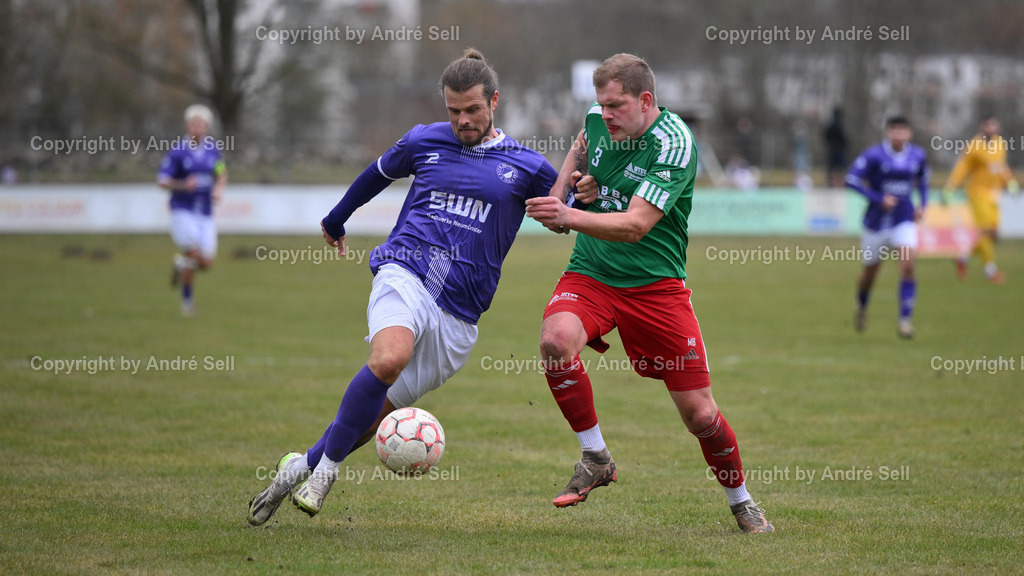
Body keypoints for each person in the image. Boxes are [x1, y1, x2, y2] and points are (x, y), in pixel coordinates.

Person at [247, 49, 557, 526]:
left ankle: (301, 465)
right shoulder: (424, 141)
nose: (462, 120)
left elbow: (570, 208)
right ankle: (325, 475)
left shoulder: (526, 165)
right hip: (407, 269)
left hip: (460, 315)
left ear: (494, 101)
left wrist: (584, 191)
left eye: (473, 109)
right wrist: (335, 218)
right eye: (453, 110)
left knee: (370, 421)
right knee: (388, 359)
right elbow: (377, 174)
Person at [524, 53, 774, 533]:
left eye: (616, 104)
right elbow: (581, 148)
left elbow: (637, 225)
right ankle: (595, 455)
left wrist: (568, 215)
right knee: (556, 342)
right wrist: (565, 192)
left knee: (700, 414)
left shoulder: (675, 143)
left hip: (655, 288)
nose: (606, 113)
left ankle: (741, 501)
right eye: (601, 104)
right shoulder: (599, 121)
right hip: (592, 273)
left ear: (646, 100)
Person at [846, 116, 930, 338]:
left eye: (903, 130)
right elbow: (851, 180)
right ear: (887, 132)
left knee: (907, 266)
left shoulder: (917, 155)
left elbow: (923, 181)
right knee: (869, 275)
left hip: (903, 221)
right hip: (876, 224)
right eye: (894, 130)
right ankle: (862, 306)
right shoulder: (874, 155)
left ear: (909, 133)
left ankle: (905, 321)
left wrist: (923, 205)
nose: (898, 134)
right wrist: (877, 198)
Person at [157, 104, 227, 316]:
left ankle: (181, 264)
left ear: (206, 127)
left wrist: (218, 189)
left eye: (201, 125)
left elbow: (221, 173)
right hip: (182, 210)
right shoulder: (178, 152)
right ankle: (187, 304)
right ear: (188, 126)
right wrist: (182, 185)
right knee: (194, 253)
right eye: (194, 124)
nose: (197, 128)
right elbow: (162, 181)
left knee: (205, 263)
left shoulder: (212, 151)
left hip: (205, 213)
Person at [942, 115, 1020, 283]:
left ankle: (963, 258)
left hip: (994, 194)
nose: (991, 128)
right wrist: (952, 185)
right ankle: (990, 271)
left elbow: (1001, 166)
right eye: (987, 125)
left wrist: (1010, 180)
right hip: (977, 193)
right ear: (982, 126)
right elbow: (963, 166)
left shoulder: (1000, 143)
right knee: (984, 230)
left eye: (993, 124)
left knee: (993, 234)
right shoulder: (974, 145)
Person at [824, 107, 848, 188]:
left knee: (835, 169)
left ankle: (834, 183)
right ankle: (837, 183)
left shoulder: (832, 126)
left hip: (834, 149)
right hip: (838, 150)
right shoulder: (840, 126)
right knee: (838, 169)